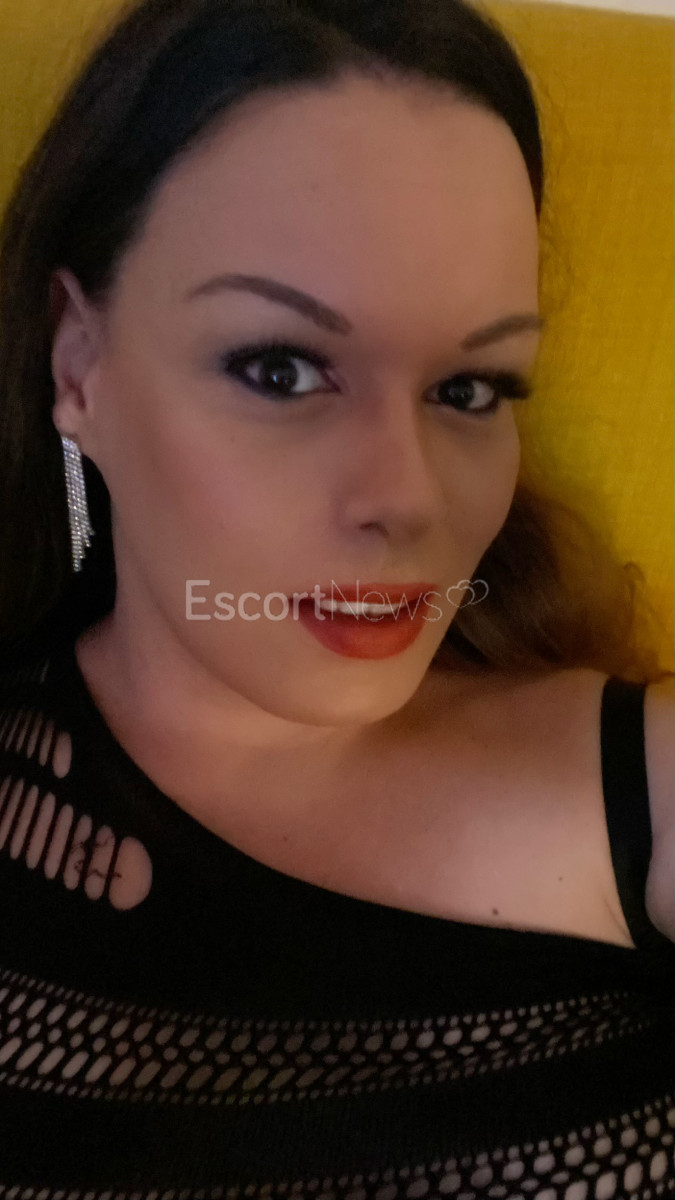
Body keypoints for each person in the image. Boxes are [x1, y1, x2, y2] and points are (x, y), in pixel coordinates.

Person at [0, 0, 673, 1193]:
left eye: (470, 389)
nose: (406, 500)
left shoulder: (653, 788)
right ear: (78, 366)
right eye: (280, 369)